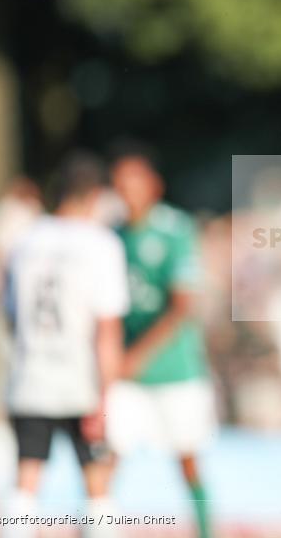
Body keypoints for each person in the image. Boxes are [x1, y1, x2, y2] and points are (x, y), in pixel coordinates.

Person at [3, 153, 128, 537]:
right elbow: (107, 328)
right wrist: (106, 395)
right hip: (81, 381)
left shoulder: (24, 240)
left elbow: (10, 314)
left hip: (31, 375)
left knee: (26, 479)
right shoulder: (100, 243)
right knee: (96, 484)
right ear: (94, 195)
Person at [107, 144, 215, 538]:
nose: (125, 191)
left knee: (187, 462)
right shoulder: (113, 235)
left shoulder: (175, 230)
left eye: (133, 182)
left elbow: (183, 305)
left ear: (153, 185)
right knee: (107, 460)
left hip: (176, 370)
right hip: (128, 374)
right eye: (119, 183)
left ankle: (206, 532)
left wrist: (136, 354)